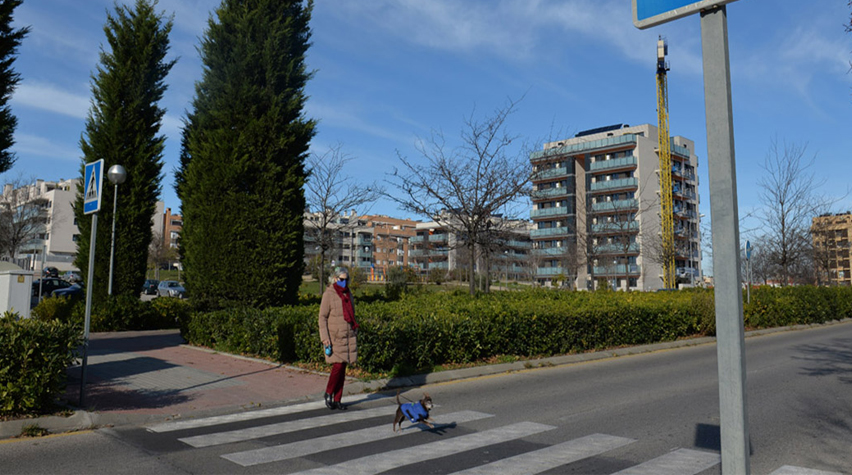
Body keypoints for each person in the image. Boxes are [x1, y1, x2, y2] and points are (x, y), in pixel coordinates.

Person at [319, 266, 359, 410]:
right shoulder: (328, 295)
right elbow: (322, 318)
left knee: (343, 368)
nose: (345, 282)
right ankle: (328, 392)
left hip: (347, 336)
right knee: (338, 366)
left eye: (347, 279)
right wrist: (324, 337)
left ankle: (337, 399)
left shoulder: (349, 294)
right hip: (334, 337)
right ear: (335, 279)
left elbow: (352, 314)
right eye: (342, 279)